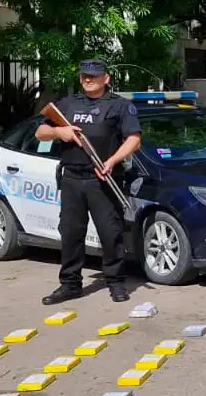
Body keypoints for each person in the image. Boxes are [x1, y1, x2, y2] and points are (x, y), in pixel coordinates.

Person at [37, 59, 142, 305]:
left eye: (94, 76)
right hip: (72, 178)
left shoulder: (119, 106)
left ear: (106, 78)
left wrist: (113, 161)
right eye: (85, 76)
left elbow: (134, 140)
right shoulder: (67, 104)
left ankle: (116, 283)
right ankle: (70, 284)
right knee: (71, 233)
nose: (88, 80)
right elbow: (40, 132)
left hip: (103, 178)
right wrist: (58, 132)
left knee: (110, 233)